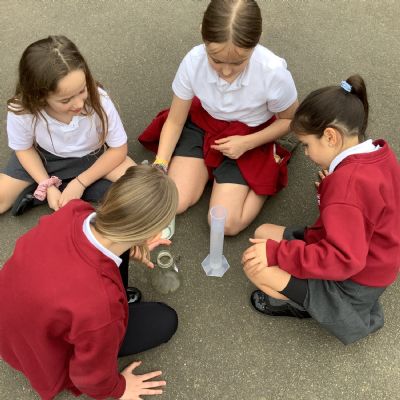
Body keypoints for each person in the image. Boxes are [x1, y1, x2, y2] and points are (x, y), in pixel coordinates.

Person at [241, 75, 400, 345]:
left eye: (306, 145)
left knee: (254, 267)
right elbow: (361, 211)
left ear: (330, 136)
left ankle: (307, 306)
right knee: (263, 232)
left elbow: (343, 259)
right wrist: (330, 193)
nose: (305, 153)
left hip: (354, 281)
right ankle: (306, 292)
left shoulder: (346, 187)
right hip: (372, 257)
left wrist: (276, 253)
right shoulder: (376, 153)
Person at [0, 165, 179, 399]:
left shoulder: (75, 210)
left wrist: (132, 245)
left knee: (116, 266)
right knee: (166, 320)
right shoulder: (101, 307)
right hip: (44, 352)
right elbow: (90, 377)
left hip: (15, 322)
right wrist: (119, 389)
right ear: (150, 234)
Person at [138, 0, 298, 235]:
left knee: (224, 224)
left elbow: (290, 120)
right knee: (174, 201)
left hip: (250, 135)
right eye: (216, 59)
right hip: (204, 125)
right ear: (203, 37)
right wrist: (160, 164)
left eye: (238, 62)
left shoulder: (273, 72)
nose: (226, 71)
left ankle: (268, 172)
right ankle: (214, 176)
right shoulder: (193, 61)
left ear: (255, 44)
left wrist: (247, 143)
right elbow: (175, 120)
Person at [0, 35, 135, 216]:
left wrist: (80, 182)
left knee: (142, 192)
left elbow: (118, 149)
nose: (79, 103)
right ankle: (61, 188)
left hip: (95, 156)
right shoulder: (22, 109)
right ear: (38, 97)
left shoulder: (100, 100)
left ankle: (58, 189)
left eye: (82, 90)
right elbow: (24, 149)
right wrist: (46, 185)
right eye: (65, 100)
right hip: (44, 158)